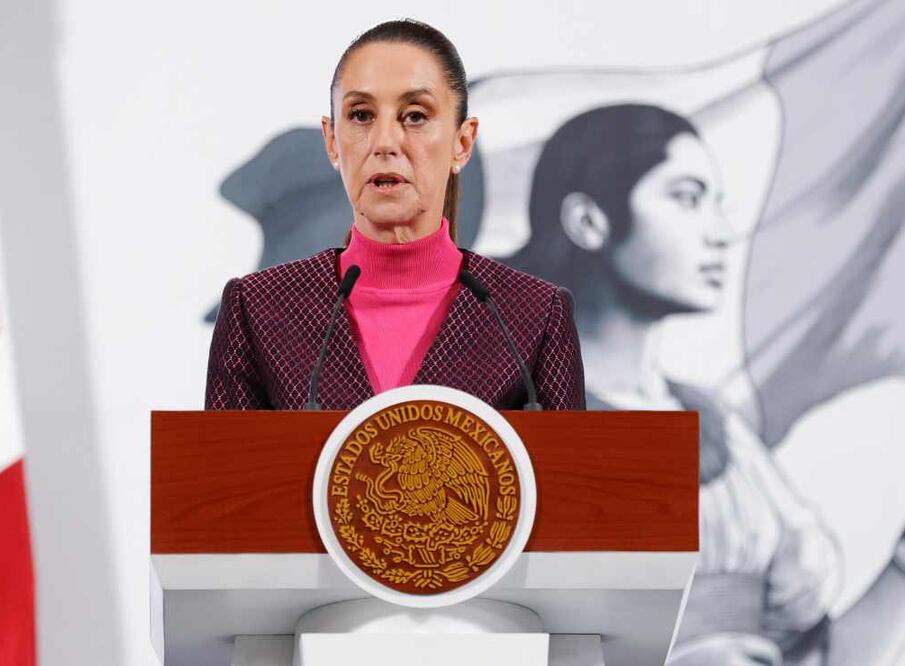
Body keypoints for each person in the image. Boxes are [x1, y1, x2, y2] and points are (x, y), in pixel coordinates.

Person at [507, 103, 905, 666]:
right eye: (687, 198)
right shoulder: (525, 419)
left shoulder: (713, 421)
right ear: (589, 221)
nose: (721, 233)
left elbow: (815, 656)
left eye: (717, 205)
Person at [205, 19, 584, 411]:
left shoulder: (533, 315)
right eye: (361, 115)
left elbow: (571, 472)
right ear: (332, 142)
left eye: (416, 115)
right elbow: (221, 469)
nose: (385, 143)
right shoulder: (259, 309)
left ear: (462, 142)